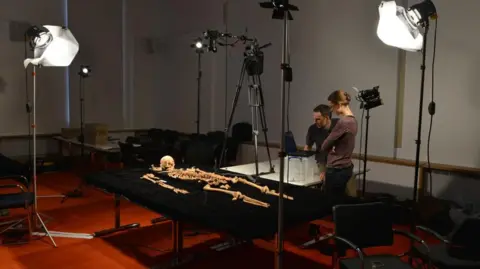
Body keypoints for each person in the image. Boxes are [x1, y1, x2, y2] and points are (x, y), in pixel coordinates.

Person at [321, 90, 357, 202]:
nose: (332, 110)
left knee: (331, 202)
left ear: (339, 104)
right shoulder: (353, 120)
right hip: (346, 167)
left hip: (336, 169)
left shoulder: (343, 123)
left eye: (332, 106)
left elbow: (324, 146)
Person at [304, 104, 338, 181]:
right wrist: (304, 162)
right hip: (322, 161)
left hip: (338, 162)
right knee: (325, 180)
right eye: (314, 119)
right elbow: (307, 147)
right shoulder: (313, 129)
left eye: (318, 119)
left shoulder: (338, 125)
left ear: (326, 117)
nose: (315, 122)